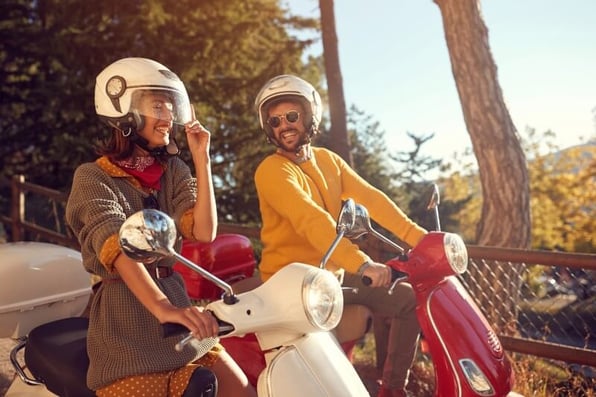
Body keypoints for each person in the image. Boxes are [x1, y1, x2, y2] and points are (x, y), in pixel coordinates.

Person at [66, 57, 256, 397]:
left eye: (171, 107)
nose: (168, 117)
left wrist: (202, 159)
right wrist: (162, 308)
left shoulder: (173, 172)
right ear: (123, 111)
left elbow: (203, 231)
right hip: (126, 325)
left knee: (242, 392)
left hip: (179, 310)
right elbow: (115, 244)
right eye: (157, 106)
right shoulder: (93, 177)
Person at [253, 74, 427, 397]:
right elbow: (310, 219)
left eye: (292, 116)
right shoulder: (271, 170)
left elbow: (371, 197)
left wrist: (419, 238)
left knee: (407, 299)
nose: (284, 126)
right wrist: (362, 264)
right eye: (275, 121)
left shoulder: (328, 161)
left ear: (309, 118)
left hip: (329, 280)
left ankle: (392, 390)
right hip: (290, 285)